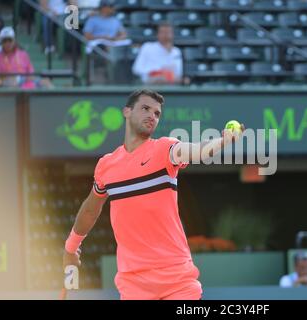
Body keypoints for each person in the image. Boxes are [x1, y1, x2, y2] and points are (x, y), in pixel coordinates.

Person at [63, 89, 245, 300]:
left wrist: (222, 141)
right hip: (133, 283)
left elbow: (197, 150)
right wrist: (70, 248)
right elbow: (90, 210)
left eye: (157, 113)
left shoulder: (165, 150)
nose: (152, 116)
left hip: (177, 279)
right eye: (146, 109)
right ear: (127, 112)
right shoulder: (106, 165)